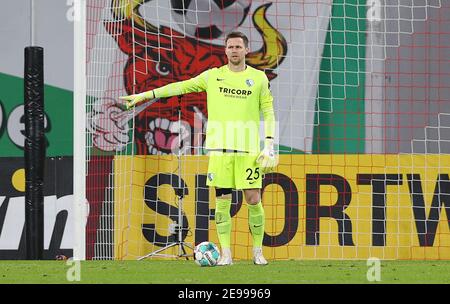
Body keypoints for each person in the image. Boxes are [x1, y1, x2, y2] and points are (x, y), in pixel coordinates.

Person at [120, 31, 277, 266]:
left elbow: (269, 112)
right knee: (223, 201)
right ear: (225, 50)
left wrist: (270, 145)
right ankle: (226, 254)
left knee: (254, 200)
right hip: (220, 150)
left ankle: (257, 252)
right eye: (230, 46)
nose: (234, 50)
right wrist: (145, 95)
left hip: (248, 151)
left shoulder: (259, 79)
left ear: (246, 50)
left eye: (238, 46)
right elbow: (180, 87)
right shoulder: (212, 76)